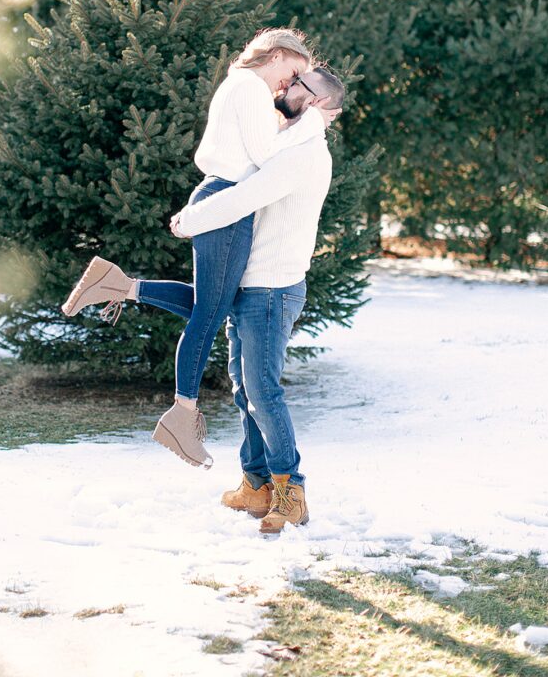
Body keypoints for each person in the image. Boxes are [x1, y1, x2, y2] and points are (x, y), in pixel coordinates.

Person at [62, 29, 335, 465]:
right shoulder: (249, 86)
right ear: (278, 54)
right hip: (227, 201)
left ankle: (121, 286)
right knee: (211, 314)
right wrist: (313, 120)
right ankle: (181, 415)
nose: (291, 84)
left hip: (223, 199)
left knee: (218, 308)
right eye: (294, 72)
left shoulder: (241, 87)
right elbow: (268, 158)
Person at [125, 66, 345, 534]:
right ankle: (256, 486)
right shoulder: (286, 142)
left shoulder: (306, 151)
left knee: (263, 391)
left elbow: (246, 197)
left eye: (300, 85)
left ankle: (292, 492)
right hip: (253, 285)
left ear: (320, 104)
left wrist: (191, 219)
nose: (287, 86)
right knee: (245, 392)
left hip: (272, 289)